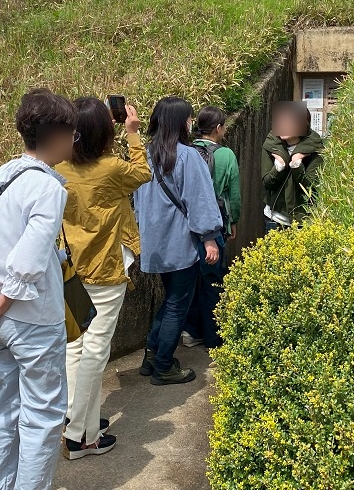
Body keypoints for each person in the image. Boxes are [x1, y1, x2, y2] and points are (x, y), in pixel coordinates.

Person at [0, 88, 79, 490]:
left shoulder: (1, 174)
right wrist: (4, 301)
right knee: (43, 417)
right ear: (58, 134)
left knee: (2, 408)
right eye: (72, 135)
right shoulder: (49, 188)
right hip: (30, 317)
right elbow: (28, 258)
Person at [56, 98, 152, 459]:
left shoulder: (58, 168)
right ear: (104, 131)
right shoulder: (112, 168)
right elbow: (143, 173)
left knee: (75, 346)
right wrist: (132, 134)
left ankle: (81, 418)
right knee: (95, 349)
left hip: (71, 269)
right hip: (106, 269)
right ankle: (80, 435)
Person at [134, 97, 223, 385]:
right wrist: (209, 238)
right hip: (180, 242)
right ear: (179, 123)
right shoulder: (186, 156)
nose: (191, 123)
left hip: (154, 244)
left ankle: (152, 354)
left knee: (170, 299)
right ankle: (163, 366)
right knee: (177, 304)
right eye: (188, 118)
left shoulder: (145, 155)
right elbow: (199, 199)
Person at [181, 106, 241, 350]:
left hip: (186, 226)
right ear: (218, 128)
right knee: (213, 280)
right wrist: (233, 220)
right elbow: (233, 194)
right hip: (213, 225)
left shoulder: (186, 152)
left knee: (188, 280)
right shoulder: (226, 155)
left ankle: (190, 331)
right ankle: (214, 336)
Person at [262, 101, 324, 231]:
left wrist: (296, 164)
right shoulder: (271, 145)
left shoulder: (315, 149)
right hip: (274, 215)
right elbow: (268, 183)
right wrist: (279, 166)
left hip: (304, 219)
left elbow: (311, 189)